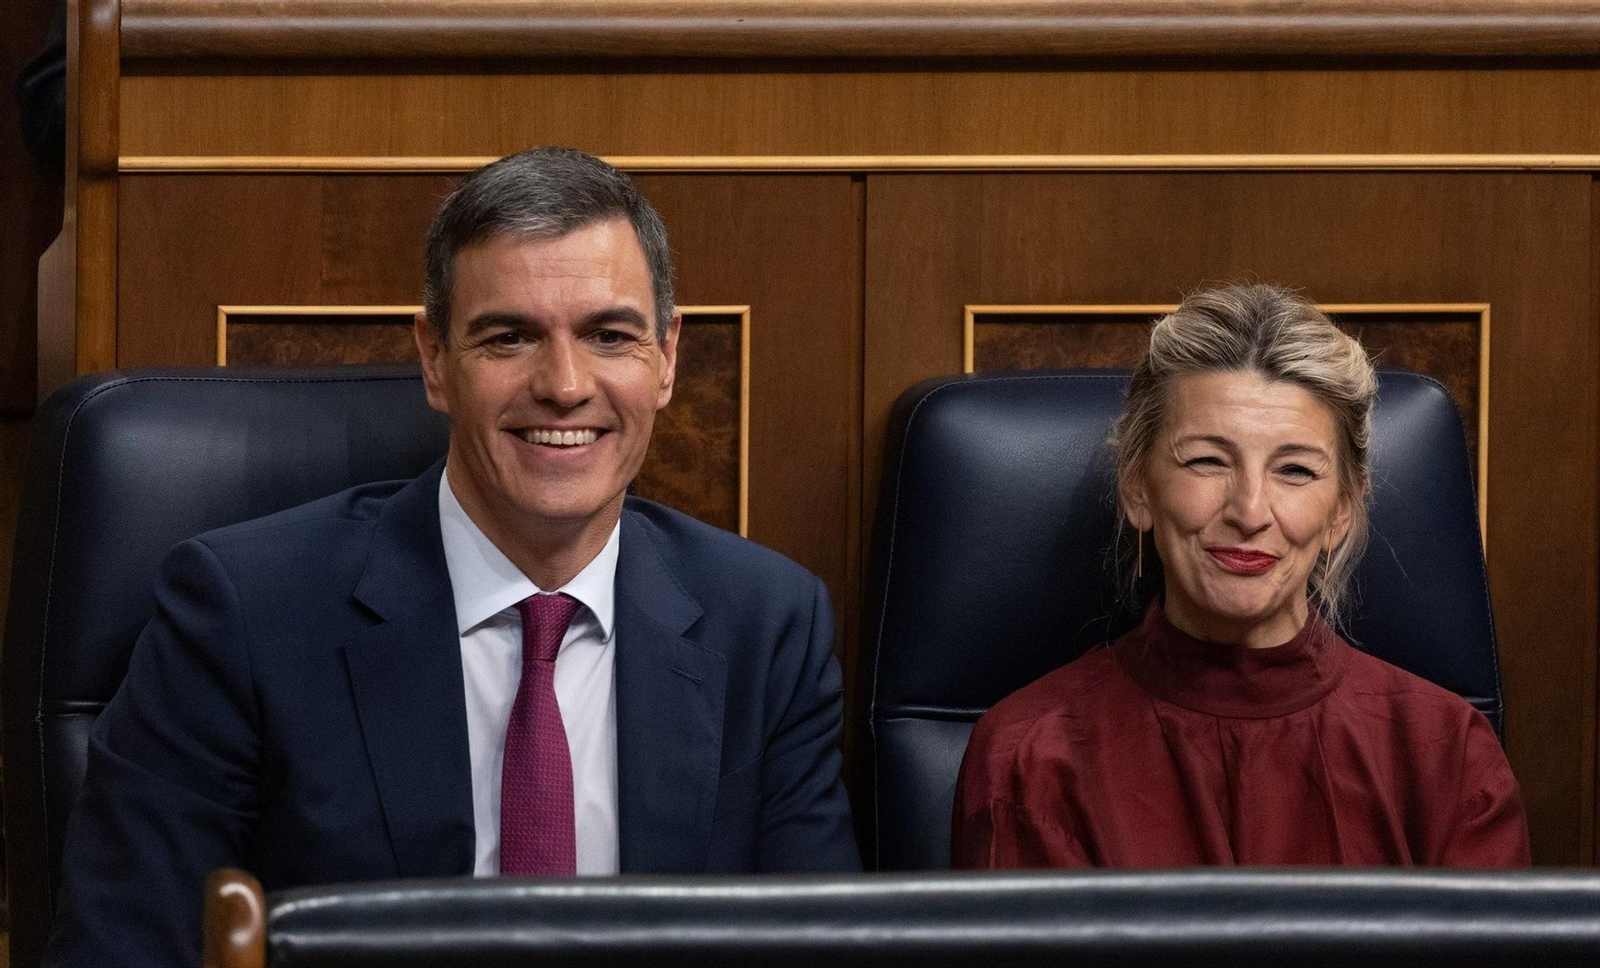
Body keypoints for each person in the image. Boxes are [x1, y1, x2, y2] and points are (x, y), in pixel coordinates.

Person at [46, 147, 860, 967]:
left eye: (609, 336)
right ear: (435, 360)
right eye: (509, 338)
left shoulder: (767, 626)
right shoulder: (243, 614)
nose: (565, 384)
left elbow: (821, 955)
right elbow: (127, 947)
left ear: (668, 358)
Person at [952, 284, 1529, 869]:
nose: (1249, 512)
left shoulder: (1447, 754)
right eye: (1207, 460)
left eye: (1295, 470)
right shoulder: (1028, 756)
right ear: (1137, 486)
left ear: (1342, 510)